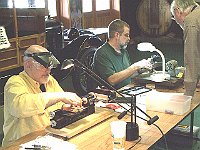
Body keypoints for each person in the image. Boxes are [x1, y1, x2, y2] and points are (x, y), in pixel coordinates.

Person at [2, 45, 82, 146]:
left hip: (45, 139)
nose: (48, 71)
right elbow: (21, 107)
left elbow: (57, 102)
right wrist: (60, 96)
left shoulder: (49, 81)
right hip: (19, 145)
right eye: (43, 66)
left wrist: (64, 106)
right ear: (28, 65)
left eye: (49, 66)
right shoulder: (15, 82)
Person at [93, 19, 152, 89]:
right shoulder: (102, 53)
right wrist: (135, 66)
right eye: (126, 35)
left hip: (127, 90)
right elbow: (112, 80)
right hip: (113, 96)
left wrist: (140, 70)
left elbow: (126, 75)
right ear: (117, 35)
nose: (129, 38)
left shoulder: (123, 51)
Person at [170, 0, 200, 96]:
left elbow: (191, 57)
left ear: (178, 11)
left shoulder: (191, 20)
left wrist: (188, 92)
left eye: (174, 17)